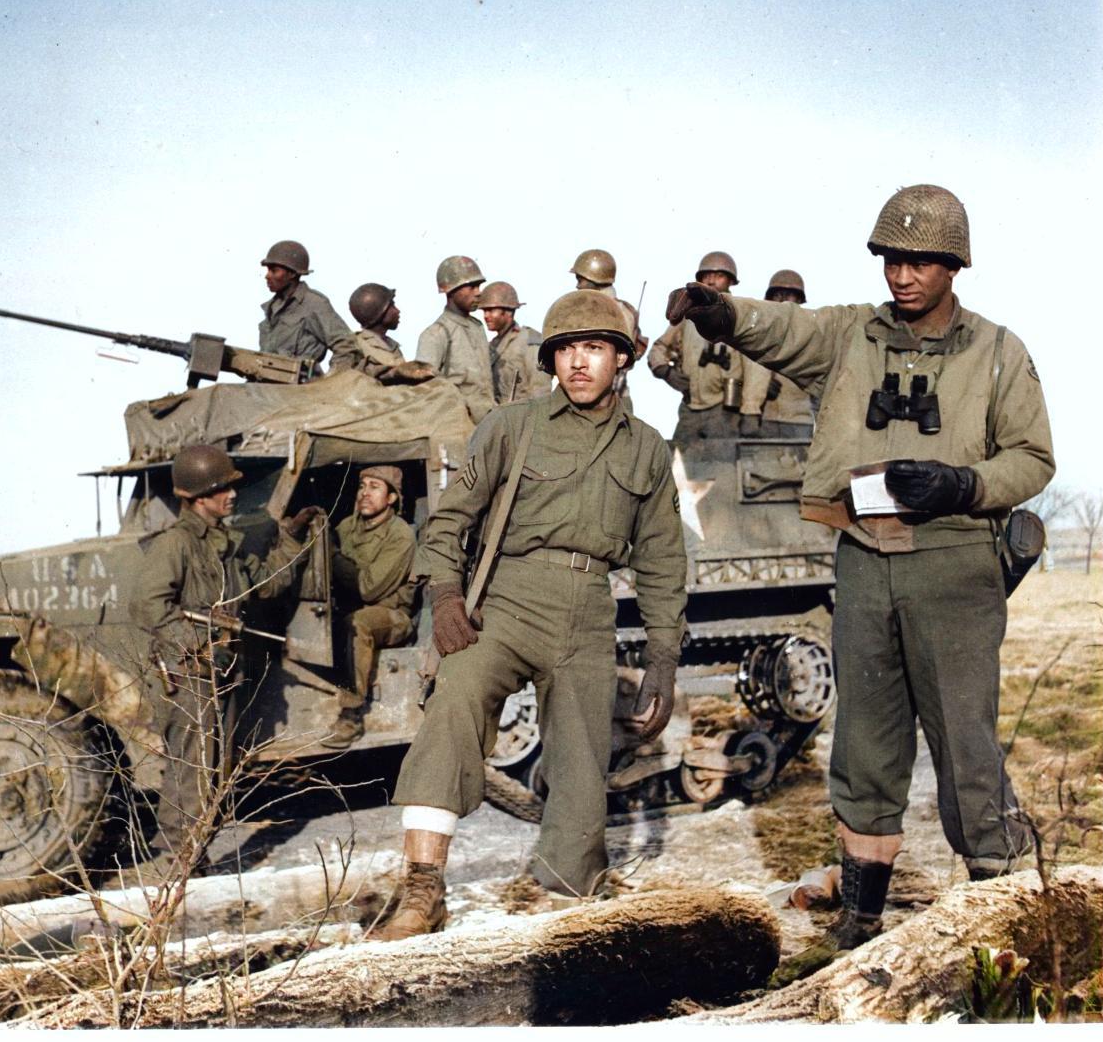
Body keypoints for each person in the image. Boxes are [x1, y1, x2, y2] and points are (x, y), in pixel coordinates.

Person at [666, 185, 1054, 975]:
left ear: (952, 265)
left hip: (953, 562)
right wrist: (719, 313)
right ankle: (862, 914)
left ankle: (1000, 909)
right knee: (865, 744)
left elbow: (1033, 459)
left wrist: (962, 486)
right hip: (863, 559)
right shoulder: (850, 335)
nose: (902, 275)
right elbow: (782, 328)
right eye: (890, 259)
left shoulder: (997, 350)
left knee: (965, 743)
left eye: (919, 261)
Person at [374, 290, 687, 939]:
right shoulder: (509, 427)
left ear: (620, 359)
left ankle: (565, 900)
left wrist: (662, 655)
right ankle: (421, 889)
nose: (578, 363)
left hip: (589, 609)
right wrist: (445, 599)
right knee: (454, 702)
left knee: (580, 762)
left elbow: (660, 556)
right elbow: (449, 520)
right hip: (507, 601)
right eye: (566, 349)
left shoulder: (647, 450)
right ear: (551, 359)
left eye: (594, 349)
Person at [131, 444, 322, 872]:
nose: (233, 495)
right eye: (223, 489)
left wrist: (290, 537)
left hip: (221, 667)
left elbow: (266, 584)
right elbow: (146, 605)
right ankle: (177, 859)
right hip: (190, 670)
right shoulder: (175, 545)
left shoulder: (225, 544)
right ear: (198, 498)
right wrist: (197, 641)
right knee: (193, 766)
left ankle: (193, 853)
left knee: (217, 766)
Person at [321, 465, 418, 748]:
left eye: (375, 487)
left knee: (358, 623)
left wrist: (332, 555)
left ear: (391, 498)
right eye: (363, 486)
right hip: (350, 609)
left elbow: (369, 587)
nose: (365, 493)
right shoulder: (346, 527)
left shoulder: (400, 535)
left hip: (392, 615)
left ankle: (351, 715)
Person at [648, 250, 746, 451]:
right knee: (679, 466)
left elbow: (754, 363)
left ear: (730, 281)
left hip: (726, 409)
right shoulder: (688, 315)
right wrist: (666, 372)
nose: (711, 281)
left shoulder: (741, 313)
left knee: (724, 469)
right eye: (706, 276)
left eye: (718, 275)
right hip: (691, 407)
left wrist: (751, 405)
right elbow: (658, 349)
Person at [415, 255, 495, 423]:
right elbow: (426, 392)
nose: (478, 292)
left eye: (479, 286)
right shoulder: (435, 334)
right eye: (471, 287)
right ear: (450, 290)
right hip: (457, 427)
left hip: (488, 423)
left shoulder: (477, 327)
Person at [739, 270, 816, 439]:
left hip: (800, 420)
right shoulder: (761, 332)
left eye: (790, 295)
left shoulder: (812, 333)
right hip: (767, 418)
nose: (783, 300)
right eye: (778, 295)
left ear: (799, 300)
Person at [257, 239, 354, 374]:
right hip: (269, 386)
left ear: (292, 273)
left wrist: (330, 382)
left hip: (300, 390)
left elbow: (347, 347)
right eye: (268, 270)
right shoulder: (272, 307)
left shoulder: (314, 304)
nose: (267, 276)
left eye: (274, 270)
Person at [329, 283, 435, 385]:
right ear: (379, 313)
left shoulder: (391, 345)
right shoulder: (355, 345)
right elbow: (344, 378)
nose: (397, 311)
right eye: (392, 306)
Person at [478, 280, 552, 403]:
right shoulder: (492, 346)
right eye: (484, 311)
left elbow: (540, 391)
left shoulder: (530, 341)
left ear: (508, 312)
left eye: (491, 310)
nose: (486, 315)